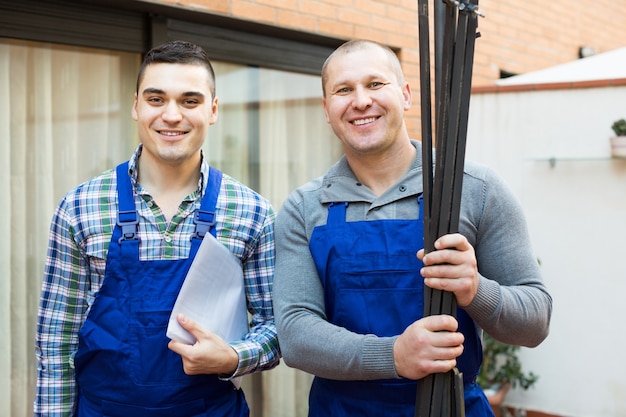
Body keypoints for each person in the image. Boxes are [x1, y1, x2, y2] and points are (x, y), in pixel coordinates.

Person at [273, 39, 552, 416]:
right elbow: (296, 335)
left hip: (452, 407)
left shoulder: (474, 190)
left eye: (375, 84)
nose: (360, 101)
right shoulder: (304, 208)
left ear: (405, 95)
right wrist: (394, 355)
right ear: (326, 109)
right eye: (343, 90)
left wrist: (475, 290)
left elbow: (535, 322)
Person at [34, 40, 280, 417]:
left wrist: (233, 356)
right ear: (136, 106)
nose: (171, 115)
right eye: (156, 99)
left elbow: (276, 326)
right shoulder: (80, 207)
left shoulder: (252, 213)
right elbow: (56, 343)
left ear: (213, 110)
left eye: (190, 101)